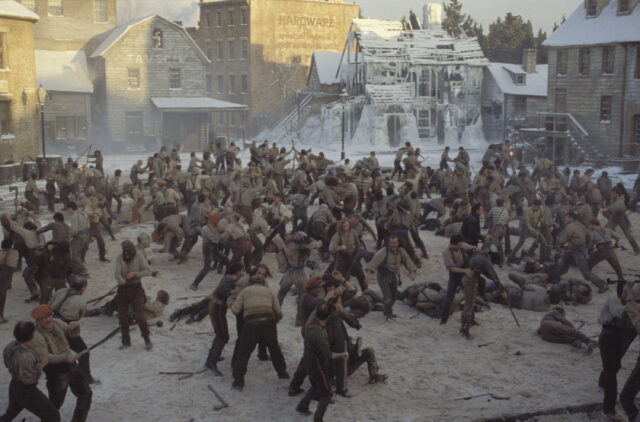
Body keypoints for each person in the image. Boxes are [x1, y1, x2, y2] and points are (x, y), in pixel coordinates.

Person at [31, 305, 92, 422]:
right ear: (38, 320)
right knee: (54, 406)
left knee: (85, 394)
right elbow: (45, 357)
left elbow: (70, 333)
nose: (49, 320)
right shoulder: (35, 336)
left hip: (72, 367)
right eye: (44, 318)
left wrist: (74, 327)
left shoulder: (57, 323)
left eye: (49, 316)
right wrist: (65, 358)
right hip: (56, 372)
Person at [230, 276, 288, 391]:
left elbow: (235, 310)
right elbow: (279, 312)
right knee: (274, 348)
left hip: (251, 324)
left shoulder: (244, 291)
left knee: (244, 352)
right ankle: (282, 373)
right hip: (268, 323)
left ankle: (239, 382)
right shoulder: (269, 291)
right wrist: (274, 320)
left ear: (250, 283)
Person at [295, 304, 348, 422]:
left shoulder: (310, 322)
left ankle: (302, 406)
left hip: (307, 361)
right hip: (317, 365)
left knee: (316, 385)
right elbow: (329, 355)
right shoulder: (320, 334)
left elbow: (315, 309)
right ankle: (318, 419)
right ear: (328, 317)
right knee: (326, 393)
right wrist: (342, 354)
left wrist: (328, 298)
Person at [0, 320, 60, 422]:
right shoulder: (26, 356)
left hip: (14, 384)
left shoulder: (10, 346)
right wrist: (41, 365)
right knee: (52, 415)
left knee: (9, 415)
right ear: (32, 335)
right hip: (26, 390)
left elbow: (6, 363)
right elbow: (28, 379)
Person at [48, 276, 97, 384]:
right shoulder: (81, 301)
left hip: (51, 322)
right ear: (83, 288)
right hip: (67, 327)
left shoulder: (60, 291)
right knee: (83, 352)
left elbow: (50, 305)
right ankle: (86, 377)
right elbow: (79, 316)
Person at [550, 212, 608, 293]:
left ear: (571, 218)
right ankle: (554, 280)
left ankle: (602, 285)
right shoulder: (580, 225)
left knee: (585, 271)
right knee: (562, 264)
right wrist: (587, 246)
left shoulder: (569, 227)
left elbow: (562, 240)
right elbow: (590, 236)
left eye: (566, 217)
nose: (565, 219)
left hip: (577, 251)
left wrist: (559, 244)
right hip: (576, 249)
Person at [205, 263, 244, 376]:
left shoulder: (229, 278)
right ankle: (211, 361)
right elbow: (221, 291)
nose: (244, 272)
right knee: (223, 335)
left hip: (217, 307)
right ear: (237, 271)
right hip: (217, 307)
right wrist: (234, 292)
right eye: (242, 270)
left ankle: (213, 356)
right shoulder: (229, 278)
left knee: (220, 334)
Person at [365, 235, 416, 320]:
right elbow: (374, 262)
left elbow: (408, 261)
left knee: (394, 296)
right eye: (391, 243)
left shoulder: (401, 251)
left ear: (398, 243)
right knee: (387, 297)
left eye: (395, 243)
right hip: (383, 276)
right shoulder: (384, 251)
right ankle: (389, 315)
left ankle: (385, 310)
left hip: (393, 276)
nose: (393, 245)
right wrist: (369, 275)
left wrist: (412, 272)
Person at [114, 240, 153, 350]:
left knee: (139, 315)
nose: (126, 254)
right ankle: (126, 341)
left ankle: (147, 339)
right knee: (122, 317)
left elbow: (148, 271)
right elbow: (117, 272)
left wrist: (135, 274)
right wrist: (120, 278)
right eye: (124, 252)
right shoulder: (119, 258)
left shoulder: (139, 257)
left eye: (128, 252)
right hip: (122, 289)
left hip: (136, 288)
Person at [0, 239, 19, 323]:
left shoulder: (0, 253)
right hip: (4, 279)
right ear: (11, 245)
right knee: (1, 297)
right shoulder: (14, 253)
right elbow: (14, 265)